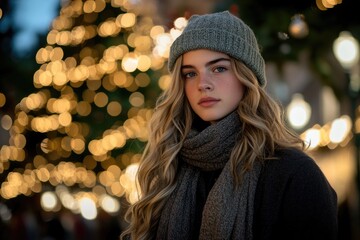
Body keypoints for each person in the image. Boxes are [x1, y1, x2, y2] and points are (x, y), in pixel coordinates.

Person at [121, 11, 338, 240]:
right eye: (190, 73)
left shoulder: (295, 174)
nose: (203, 84)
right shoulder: (169, 170)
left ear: (246, 76)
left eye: (219, 68)